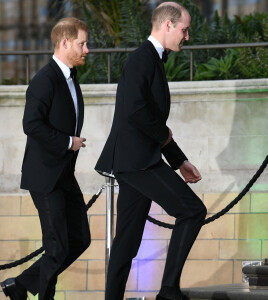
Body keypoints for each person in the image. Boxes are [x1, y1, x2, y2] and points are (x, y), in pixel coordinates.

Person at [95, 2, 207, 300]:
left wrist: (180, 160)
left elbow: (148, 119)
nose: (187, 37)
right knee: (193, 211)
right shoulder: (142, 59)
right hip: (138, 163)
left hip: (136, 161)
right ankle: (168, 290)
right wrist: (167, 140)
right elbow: (135, 111)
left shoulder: (152, 59)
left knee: (126, 243)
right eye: (184, 29)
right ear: (167, 25)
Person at [0, 17, 90, 300]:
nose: (87, 49)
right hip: (45, 177)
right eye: (82, 44)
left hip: (64, 175)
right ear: (64, 43)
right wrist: (67, 142)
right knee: (57, 248)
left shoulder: (71, 77)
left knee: (80, 240)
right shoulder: (44, 79)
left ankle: (22, 284)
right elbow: (31, 124)